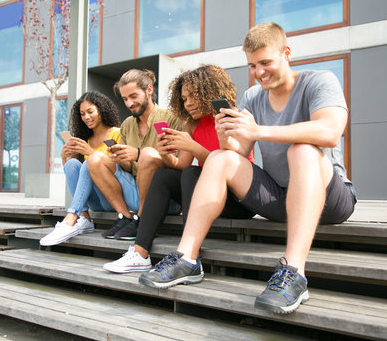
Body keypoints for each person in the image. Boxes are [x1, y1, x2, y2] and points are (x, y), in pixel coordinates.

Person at [138, 22, 357, 315]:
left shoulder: (318, 81)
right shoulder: (254, 96)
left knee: (302, 150)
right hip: (280, 198)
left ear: (286, 53)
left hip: (331, 199)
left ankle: (293, 272)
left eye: (265, 62)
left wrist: (258, 130)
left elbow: (329, 132)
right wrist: (226, 135)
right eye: (252, 65)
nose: (259, 72)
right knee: (218, 158)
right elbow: (238, 153)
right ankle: (187, 258)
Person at [103, 65, 255, 273]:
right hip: (208, 197)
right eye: (184, 99)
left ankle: (190, 257)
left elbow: (228, 166)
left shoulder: (231, 117)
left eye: (193, 96)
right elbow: (181, 165)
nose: (188, 103)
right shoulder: (192, 125)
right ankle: (140, 253)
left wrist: (192, 146)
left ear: (209, 91)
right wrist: (164, 153)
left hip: (237, 200)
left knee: (193, 173)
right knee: (167, 174)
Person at [87, 69, 183, 240]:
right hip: (136, 190)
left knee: (147, 153)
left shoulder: (172, 118)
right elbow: (130, 168)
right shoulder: (127, 125)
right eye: (125, 99)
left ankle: (143, 220)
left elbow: (178, 164)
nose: (129, 103)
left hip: (164, 198)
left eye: (133, 96)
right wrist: (121, 158)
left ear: (149, 90)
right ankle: (125, 216)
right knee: (95, 158)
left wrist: (139, 154)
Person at [40, 92, 121, 246]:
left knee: (89, 162)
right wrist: (65, 157)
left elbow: (120, 169)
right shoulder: (86, 140)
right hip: (95, 201)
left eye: (90, 112)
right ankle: (84, 217)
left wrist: (91, 153)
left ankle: (71, 216)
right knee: (72, 164)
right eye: (82, 114)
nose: (86, 117)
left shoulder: (116, 133)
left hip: (113, 197)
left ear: (101, 110)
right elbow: (77, 177)